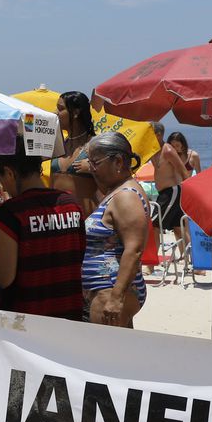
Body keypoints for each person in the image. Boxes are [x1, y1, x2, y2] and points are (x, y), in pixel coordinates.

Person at [0, 137, 86, 320]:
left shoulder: (10, 212)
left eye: (0, 179)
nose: (2, 186)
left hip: (26, 322)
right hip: (70, 316)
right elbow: (77, 257)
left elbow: (4, 278)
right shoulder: (72, 204)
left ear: (9, 173)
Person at [82, 132, 150, 328]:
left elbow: (134, 249)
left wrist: (116, 297)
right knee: (119, 354)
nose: (91, 169)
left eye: (96, 163)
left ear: (118, 161)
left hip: (110, 290)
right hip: (109, 289)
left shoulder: (126, 196)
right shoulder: (117, 192)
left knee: (102, 354)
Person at [49, 91, 98, 216]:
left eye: (61, 109)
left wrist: (93, 168)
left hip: (86, 223)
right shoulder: (59, 146)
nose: (55, 113)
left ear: (76, 113)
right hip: (59, 223)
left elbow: (113, 181)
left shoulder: (95, 145)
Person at [150, 123, 188, 243]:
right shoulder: (153, 150)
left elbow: (183, 171)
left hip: (172, 191)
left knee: (155, 224)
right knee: (177, 227)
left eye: (150, 134)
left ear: (159, 135)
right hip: (164, 193)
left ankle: (153, 260)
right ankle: (190, 257)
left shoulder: (168, 150)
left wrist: (190, 194)